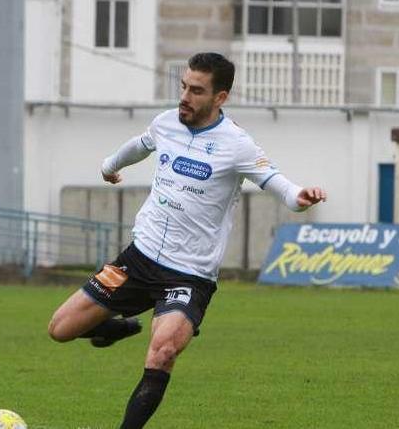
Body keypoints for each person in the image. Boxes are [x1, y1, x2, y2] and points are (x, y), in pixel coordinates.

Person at [47, 52, 326, 428]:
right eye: (183, 86)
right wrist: (109, 166)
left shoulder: (237, 144)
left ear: (220, 97)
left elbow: (276, 182)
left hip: (187, 275)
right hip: (138, 259)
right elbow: (139, 144)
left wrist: (299, 198)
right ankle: (114, 327)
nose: (185, 96)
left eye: (196, 90)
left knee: (162, 352)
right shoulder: (166, 123)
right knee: (60, 329)